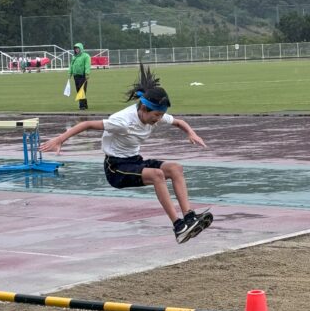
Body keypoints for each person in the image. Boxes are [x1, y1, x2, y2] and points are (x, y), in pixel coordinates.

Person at [40, 64, 212, 243]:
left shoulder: (154, 114)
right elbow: (87, 124)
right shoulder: (122, 122)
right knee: (157, 175)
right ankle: (178, 227)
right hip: (116, 168)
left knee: (176, 168)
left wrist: (191, 133)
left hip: (135, 161)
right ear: (143, 109)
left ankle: (189, 217)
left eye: (161, 116)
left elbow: (179, 122)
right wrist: (60, 140)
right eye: (156, 116)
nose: (158, 120)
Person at [68, 42, 91, 110]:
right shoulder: (74, 57)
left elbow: (87, 65)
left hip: (83, 76)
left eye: (77, 48)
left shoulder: (86, 56)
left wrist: (87, 74)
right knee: (78, 90)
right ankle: (85, 104)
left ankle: (82, 106)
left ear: (81, 48)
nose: (76, 50)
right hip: (76, 76)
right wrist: (70, 73)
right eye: (75, 49)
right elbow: (71, 65)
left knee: (82, 90)